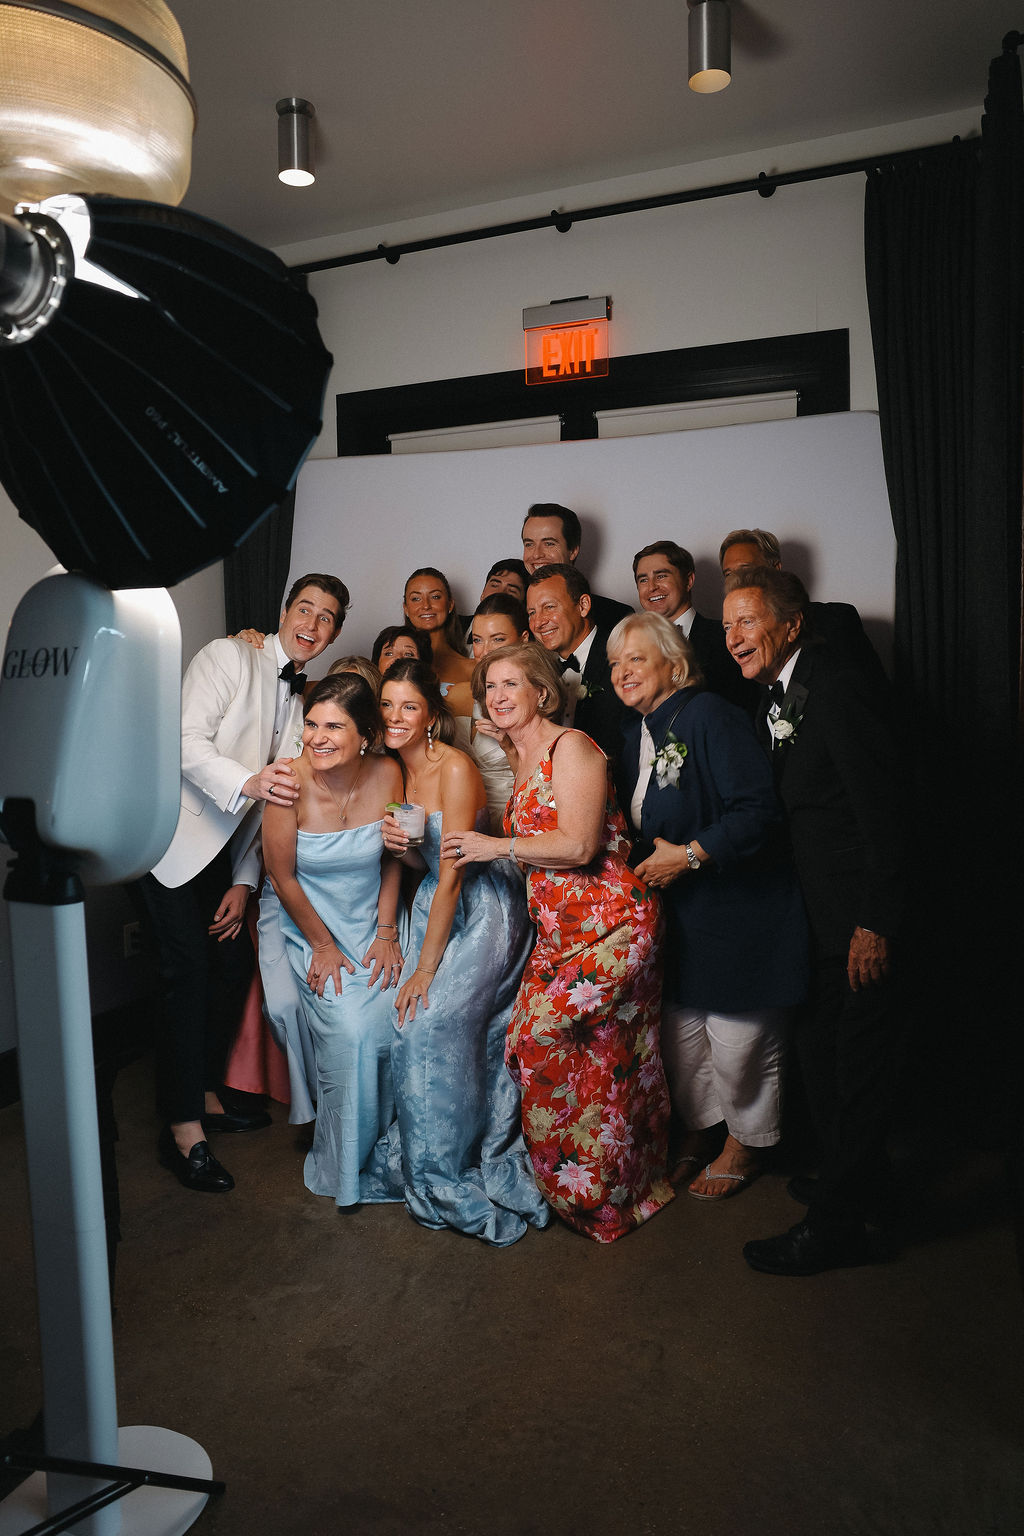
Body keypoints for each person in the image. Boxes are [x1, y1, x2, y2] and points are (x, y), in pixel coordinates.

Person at [442, 643, 674, 1243]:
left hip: (614, 927)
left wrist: (494, 846)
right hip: (559, 935)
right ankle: (587, 1191)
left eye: (510, 684)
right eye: (489, 687)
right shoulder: (520, 755)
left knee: (579, 1051)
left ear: (542, 693)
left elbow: (578, 845)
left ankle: (613, 1196)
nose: (496, 696)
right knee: (541, 1048)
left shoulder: (571, 747)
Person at [722, 566, 904, 1275]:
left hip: (860, 919)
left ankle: (835, 1229)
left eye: (748, 621)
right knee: (821, 1055)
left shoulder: (838, 687)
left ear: (793, 624)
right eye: (727, 624)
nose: (734, 636)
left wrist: (875, 923)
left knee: (853, 1070)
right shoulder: (782, 691)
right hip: (820, 916)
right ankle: (861, 1187)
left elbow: (886, 812)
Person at [140, 573, 348, 1192]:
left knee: (231, 968)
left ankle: (204, 1091)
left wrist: (244, 881)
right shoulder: (228, 655)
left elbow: (271, 808)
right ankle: (181, 1128)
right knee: (186, 972)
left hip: (223, 861)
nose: (312, 624)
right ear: (284, 611)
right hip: (166, 843)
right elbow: (183, 741)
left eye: (327, 617)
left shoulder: (308, 706)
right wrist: (248, 781)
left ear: (334, 633)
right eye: (305, 608)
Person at [609, 612, 808, 1199]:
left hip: (739, 909)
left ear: (675, 666)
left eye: (636, 659)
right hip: (682, 917)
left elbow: (758, 813)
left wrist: (691, 856)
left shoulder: (710, 715)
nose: (622, 672)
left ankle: (748, 1143)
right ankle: (701, 1131)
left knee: (738, 1042)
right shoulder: (635, 734)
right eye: (615, 663)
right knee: (684, 1039)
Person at [362, 660, 550, 1246]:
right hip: (435, 903)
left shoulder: (456, 767)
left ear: (431, 715)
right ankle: (426, 1162)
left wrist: (425, 969)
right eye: (387, 705)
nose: (396, 717)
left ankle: (448, 1168)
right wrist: (399, 846)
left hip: (484, 906)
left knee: (430, 1021)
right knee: (408, 1022)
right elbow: (419, 861)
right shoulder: (394, 770)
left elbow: (453, 871)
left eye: (409, 707)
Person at [261, 675, 405, 1209]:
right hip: (313, 925)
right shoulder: (287, 785)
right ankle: (346, 1163)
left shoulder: (389, 773)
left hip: (374, 919)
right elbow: (281, 877)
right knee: (353, 1031)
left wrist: (387, 931)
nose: (316, 738)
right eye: (311, 724)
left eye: (334, 727)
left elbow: (393, 856)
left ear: (366, 735)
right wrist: (322, 946)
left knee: (407, 1013)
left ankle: (402, 1150)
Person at [719, 527, 889, 690]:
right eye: (729, 574)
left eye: (747, 570)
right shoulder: (734, 642)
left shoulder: (836, 619)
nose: (737, 579)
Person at [525, 563, 629, 760]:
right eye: (532, 613)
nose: (538, 623)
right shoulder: (534, 670)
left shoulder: (624, 659)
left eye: (549, 607)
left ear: (583, 606)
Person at [632, 539, 749, 706]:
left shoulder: (725, 637)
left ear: (688, 581)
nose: (652, 587)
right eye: (643, 580)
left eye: (661, 576)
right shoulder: (632, 649)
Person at [467, 592, 531, 832]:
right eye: (477, 640)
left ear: (524, 639)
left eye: (498, 639)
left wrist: (508, 746)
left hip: (517, 822)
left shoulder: (534, 698)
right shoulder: (463, 694)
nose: (485, 651)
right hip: (468, 819)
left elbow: (541, 788)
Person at [521, 502, 632, 632]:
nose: (536, 554)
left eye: (549, 544)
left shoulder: (616, 616)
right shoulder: (511, 615)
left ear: (573, 550)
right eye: (529, 544)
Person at [402, 567, 476, 745]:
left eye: (435, 597)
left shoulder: (472, 668)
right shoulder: (393, 663)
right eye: (416, 598)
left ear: (450, 604)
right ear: (406, 608)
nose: (426, 605)